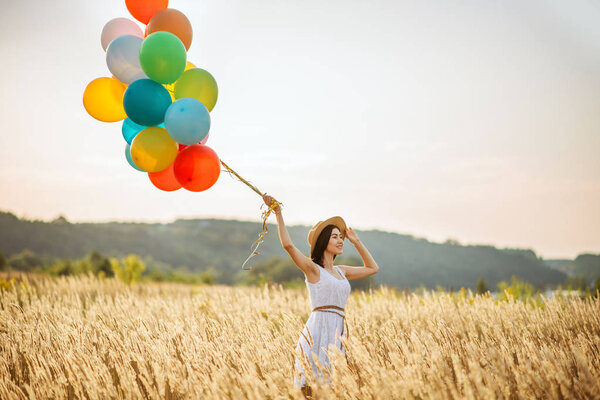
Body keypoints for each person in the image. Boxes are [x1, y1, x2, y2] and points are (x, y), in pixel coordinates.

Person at [262, 194, 379, 398]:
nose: (340, 240)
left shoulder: (342, 271)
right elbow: (288, 246)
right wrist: (278, 213)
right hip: (317, 332)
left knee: (332, 389)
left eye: (340, 236)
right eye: (335, 236)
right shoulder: (313, 270)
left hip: (337, 333)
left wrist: (357, 241)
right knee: (309, 389)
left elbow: (372, 268)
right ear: (324, 241)